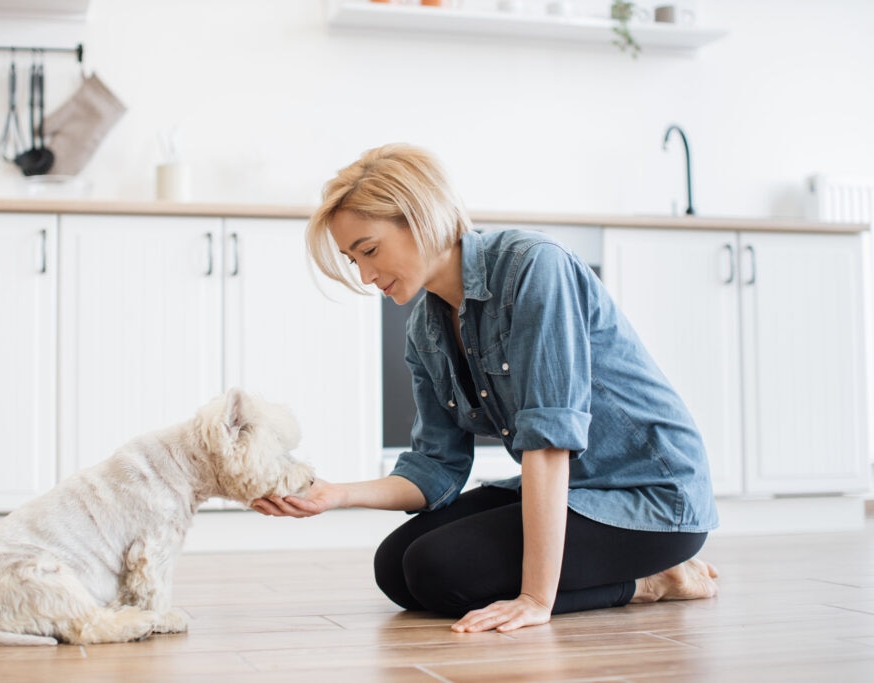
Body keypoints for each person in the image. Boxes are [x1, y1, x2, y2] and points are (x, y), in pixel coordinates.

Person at [251, 143, 719, 633]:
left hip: (652, 498)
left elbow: (548, 438)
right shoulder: (425, 329)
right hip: (575, 493)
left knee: (441, 569)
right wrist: (335, 495)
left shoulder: (535, 268)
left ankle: (654, 580)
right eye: (353, 261)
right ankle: (634, 577)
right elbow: (436, 469)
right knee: (395, 567)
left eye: (369, 250)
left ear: (421, 217)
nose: (366, 276)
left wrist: (535, 599)